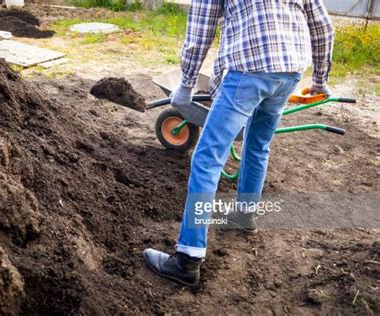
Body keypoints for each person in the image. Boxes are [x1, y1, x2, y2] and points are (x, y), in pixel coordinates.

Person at [143, 0, 334, 286]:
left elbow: (200, 31)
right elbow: (322, 26)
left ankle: (187, 260)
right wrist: (319, 78)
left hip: (249, 69)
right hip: (290, 70)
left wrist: (185, 85)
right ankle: (244, 216)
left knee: (207, 159)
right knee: (257, 145)